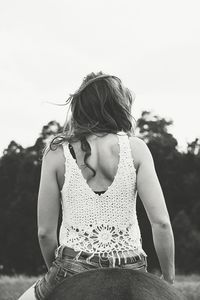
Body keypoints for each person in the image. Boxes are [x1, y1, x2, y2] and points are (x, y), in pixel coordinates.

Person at [18, 72, 175, 300]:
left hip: (73, 266)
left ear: (81, 108)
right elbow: (161, 223)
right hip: (131, 266)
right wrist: (168, 280)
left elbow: (45, 233)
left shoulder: (56, 153)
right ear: (118, 106)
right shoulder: (137, 149)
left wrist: (59, 274)